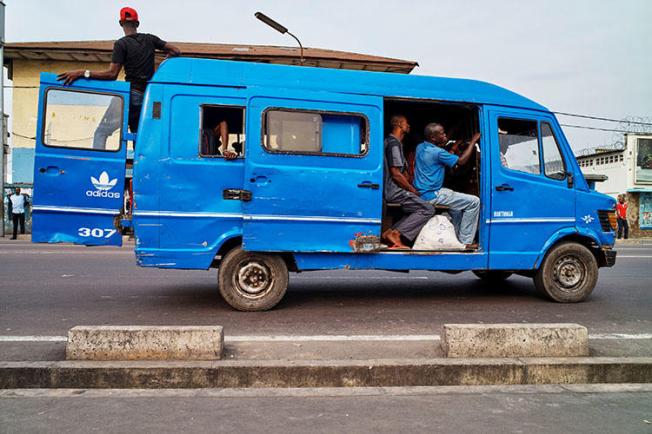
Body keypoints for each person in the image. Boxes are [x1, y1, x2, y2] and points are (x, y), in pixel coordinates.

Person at [57, 7, 181, 146]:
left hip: (131, 94)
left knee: (101, 132)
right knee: (138, 136)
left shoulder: (121, 44)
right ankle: (138, 167)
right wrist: (158, 69)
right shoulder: (150, 39)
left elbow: (111, 74)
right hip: (147, 96)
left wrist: (82, 73)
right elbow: (175, 50)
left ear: (120, 23)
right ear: (137, 23)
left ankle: (100, 167)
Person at [414, 123, 480, 247]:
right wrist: (473, 141)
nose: (445, 136)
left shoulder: (421, 147)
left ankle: (456, 240)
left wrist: (452, 136)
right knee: (474, 202)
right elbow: (461, 161)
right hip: (433, 195)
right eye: (442, 133)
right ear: (433, 138)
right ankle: (466, 242)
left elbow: (441, 145)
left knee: (456, 209)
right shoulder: (438, 153)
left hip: (422, 192)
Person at [383, 115, 435, 249]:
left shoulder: (393, 143)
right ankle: (396, 233)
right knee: (427, 209)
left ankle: (391, 232)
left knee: (414, 208)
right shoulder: (393, 143)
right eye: (406, 123)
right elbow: (396, 174)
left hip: (392, 189)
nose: (409, 126)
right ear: (399, 124)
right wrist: (412, 190)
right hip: (393, 190)